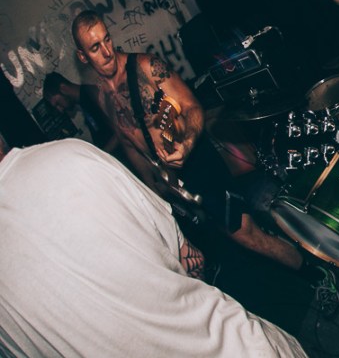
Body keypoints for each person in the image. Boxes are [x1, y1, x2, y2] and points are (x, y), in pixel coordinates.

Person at [0, 137, 307, 357]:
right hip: (238, 348)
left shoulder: (137, 76)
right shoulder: (70, 154)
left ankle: (310, 271)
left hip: (193, 170)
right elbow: (190, 260)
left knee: (246, 232)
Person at [70, 10, 304, 271]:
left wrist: (187, 144)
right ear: (82, 56)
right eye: (95, 47)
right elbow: (129, 143)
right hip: (173, 182)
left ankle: (311, 270)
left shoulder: (146, 67)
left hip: (196, 161)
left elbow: (192, 107)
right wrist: (154, 191)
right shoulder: (101, 97)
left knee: (247, 235)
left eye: (107, 39)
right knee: (217, 244)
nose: (107, 52)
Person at [42, 71, 118, 154]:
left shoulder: (93, 95)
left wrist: (101, 154)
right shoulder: (85, 102)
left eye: (58, 103)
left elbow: (120, 132)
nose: (60, 109)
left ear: (64, 88)